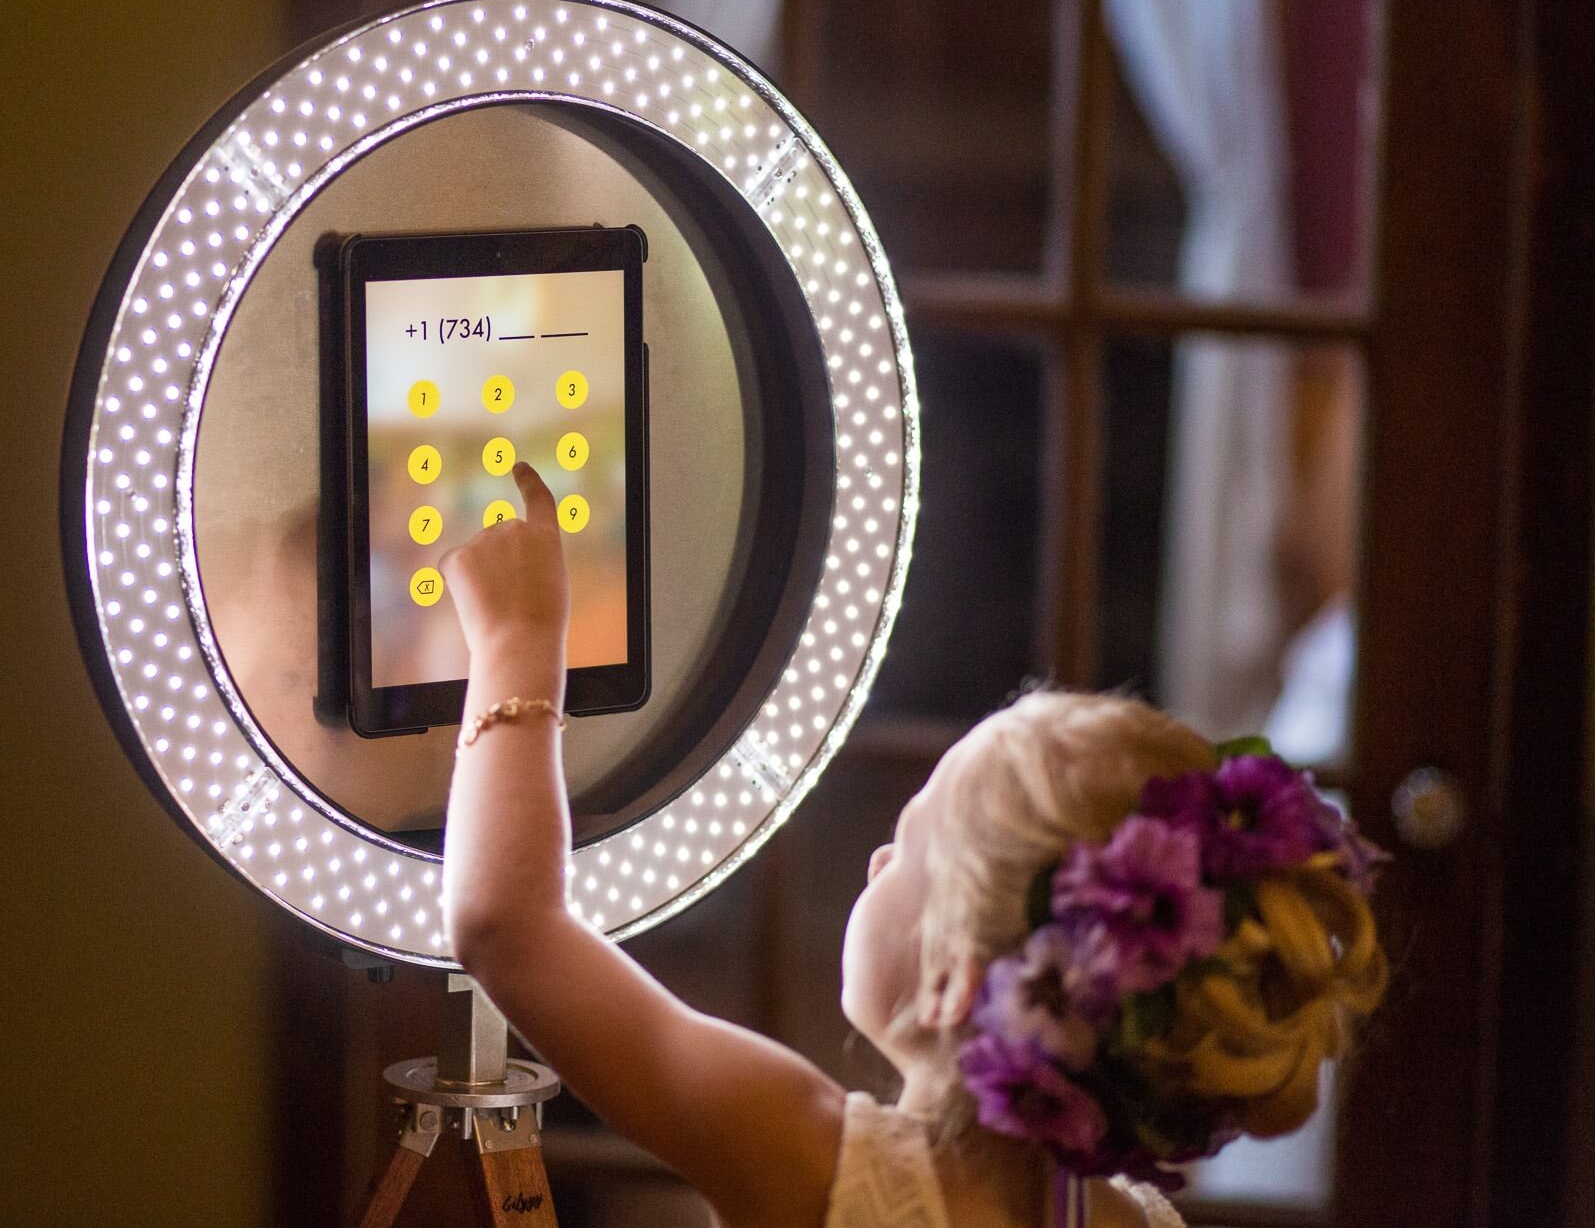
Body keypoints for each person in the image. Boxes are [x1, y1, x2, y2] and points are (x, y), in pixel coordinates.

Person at [437, 463, 1388, 1228]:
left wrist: (519, 639)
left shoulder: (804, 1160)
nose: (875, 861)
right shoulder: (1137, 1220)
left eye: (904, 842)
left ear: (951, 981)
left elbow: (506, 926)